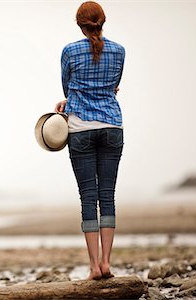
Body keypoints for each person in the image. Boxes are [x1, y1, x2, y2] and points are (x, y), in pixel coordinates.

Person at [55, 1, 125, 281]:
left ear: (79, 24)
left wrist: (68, 101)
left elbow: (68, 87)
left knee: (88, 197)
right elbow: (113, 87)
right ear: (103, 22)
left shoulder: (70, 51)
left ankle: (94, 267)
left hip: (81, 129)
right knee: (107, 196)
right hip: (111, 127)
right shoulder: (119, 51)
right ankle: (108, 262)